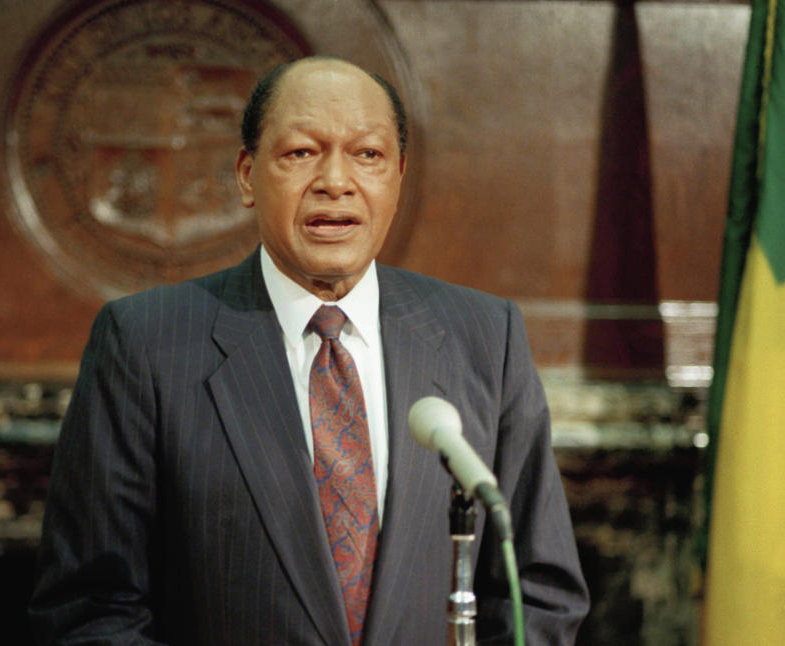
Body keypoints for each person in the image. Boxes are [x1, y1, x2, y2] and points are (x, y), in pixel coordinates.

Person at [30, 57, 589, 645]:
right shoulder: (145, 343)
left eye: (367, 155)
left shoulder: (484, 335)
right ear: (247, 175)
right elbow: (90, 609)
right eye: (300, 153)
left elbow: (541, 592)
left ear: (399, 175)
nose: (335, 181)